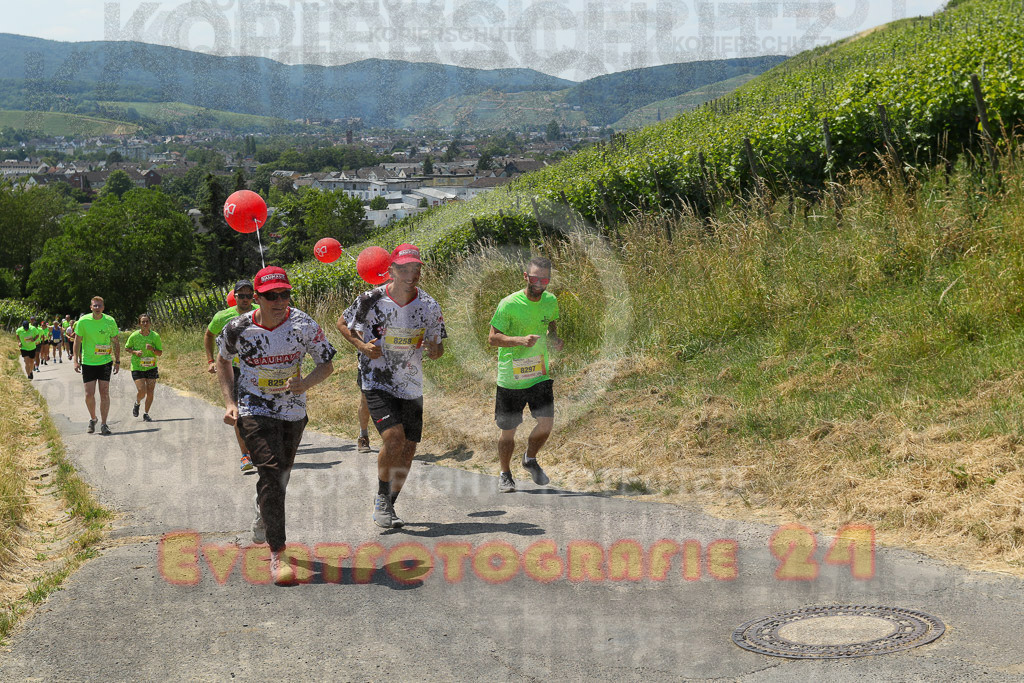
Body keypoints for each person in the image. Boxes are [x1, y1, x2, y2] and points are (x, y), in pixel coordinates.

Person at [216, 266, 335, 585]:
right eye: (272, 296)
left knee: (279, 477)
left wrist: (306, 383)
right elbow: (223, 360)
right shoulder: (238, 328)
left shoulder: (303, 324)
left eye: (285, 294)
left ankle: (263, 509)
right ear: (257, 298)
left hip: (292, 410)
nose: (280, 301)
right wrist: (230, 402)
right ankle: (278, 553)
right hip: (253, 406)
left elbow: (327, 364)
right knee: (270, 471)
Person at [338, 243, 446, 529]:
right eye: (404, 269)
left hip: (411, 383)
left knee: (408, 448)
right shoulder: (370, 299)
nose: (411, 274)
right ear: (391, 271)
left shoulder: (429, 305)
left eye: (416, 269)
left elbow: (438, 346)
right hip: (377, 380)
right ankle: (382, 500)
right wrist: (362, 346)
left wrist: (436, 350)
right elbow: (342, 323)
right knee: (394, 438)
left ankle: (389, 503)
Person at [488, 256, 564, 493]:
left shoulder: (550, 301)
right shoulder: (509, 304)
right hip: (511, 377)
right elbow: (493, 338)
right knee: (508, 431)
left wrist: (554, 340)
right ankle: (505, 473)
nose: (539, 283)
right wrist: (520, 340)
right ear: (525, 277)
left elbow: (550, 325)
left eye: (544, 279)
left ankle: (529, 459)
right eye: (534, 278)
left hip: (539, 373)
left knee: (546, 424)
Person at [206, 280, 259, 472]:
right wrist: (210, 360)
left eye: (249, 295)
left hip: (257, 368)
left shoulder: (261, 311)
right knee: (238, 412)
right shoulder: (223, 316)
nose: (245, 299)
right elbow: (209, 335)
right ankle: (245, 455)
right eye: (241, 296)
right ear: (234, 297)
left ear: (253, 296)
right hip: (233, 369)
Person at [73, 296, 121, 435]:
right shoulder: (83, 321)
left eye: (100, 305)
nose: (97, 308)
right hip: (88, 362)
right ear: (91, 307)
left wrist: (118, 361)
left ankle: (104, 424)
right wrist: (75, 360)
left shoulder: (110, 321)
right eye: (95, 305)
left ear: (103, 307)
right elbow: (77, 340)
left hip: (105, 362)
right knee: (89, 394)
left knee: (104, 392)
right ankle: (93, 419)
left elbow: (115, 341)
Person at [334, 315, 375, 454]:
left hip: (395, 363)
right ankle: (363, 435)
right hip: (368, 362)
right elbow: (341, 323)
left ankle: (394, 439)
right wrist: (361, 345)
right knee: (366, 401)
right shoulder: (365, 302)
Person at [125, 314, 163, 421]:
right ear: (139, 324)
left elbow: (160, 353)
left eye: (147, 321)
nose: (145, 324)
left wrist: (152, 349)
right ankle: (137, 403)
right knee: (142, 391)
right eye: (143, 322)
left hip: (151, 367)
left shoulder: (155, 336)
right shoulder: (134, 336)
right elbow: (127, 348)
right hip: (137, 367)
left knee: (150, 392)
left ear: (150, 323)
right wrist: (135, 352)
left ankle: (146, 414)